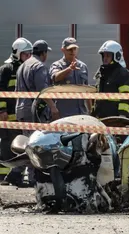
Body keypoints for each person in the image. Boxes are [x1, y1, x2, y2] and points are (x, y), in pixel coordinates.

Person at [15, 40, 57, 186]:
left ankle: (19, 173)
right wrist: (53, 107)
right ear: (44, 53)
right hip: (33, 112)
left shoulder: (22, 66)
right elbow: (42, 92)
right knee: (37, 144)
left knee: (27, 144)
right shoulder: (39, 66)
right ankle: (35, 178)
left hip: (21, 109)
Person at [0, 38, 33, 186]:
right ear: (17, 53)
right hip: (7, 116)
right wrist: (2, 110)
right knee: (6, 145)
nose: (28, 57)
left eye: (29, 54)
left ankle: (15, 176)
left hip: (19, 116)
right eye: (25, 54)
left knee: (18, 145)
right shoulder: (6, 69)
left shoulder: (25, 69)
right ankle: (3, 177)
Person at [92, 40, 129, 119]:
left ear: (117, 56)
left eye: (108, 56)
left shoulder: (123, 74)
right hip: (100, 119)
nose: (105, 58)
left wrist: (122, 115)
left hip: (115, 119)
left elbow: (127, 96)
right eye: (104, 56)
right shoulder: (101, 73)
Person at [49, 37, 92, 117]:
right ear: (63, 50)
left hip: (81, 113)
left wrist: (90, 110)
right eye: (69, 49)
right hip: (65, 114)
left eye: (74, 49)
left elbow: (86, 90)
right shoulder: (57, 65)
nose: (72, 52)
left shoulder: (83, 66)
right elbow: (55, 77)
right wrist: (69, 69)